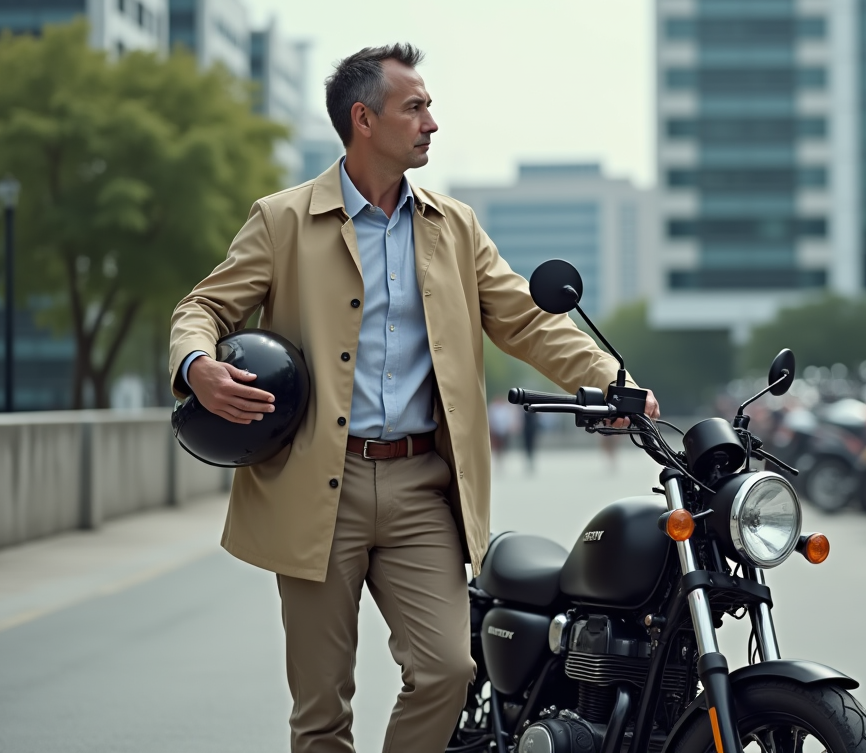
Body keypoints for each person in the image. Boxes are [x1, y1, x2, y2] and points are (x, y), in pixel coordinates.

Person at [167, 44, 659, 753]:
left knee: (447, 670)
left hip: (420, 487)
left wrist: (612, 377)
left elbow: (524, 318)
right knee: (321, 709)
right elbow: (203, 307)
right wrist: (197, 366)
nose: (432, 121)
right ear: (364, 119)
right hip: (315, 490)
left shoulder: (453, 227)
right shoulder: (282, 221)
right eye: (415, 107)